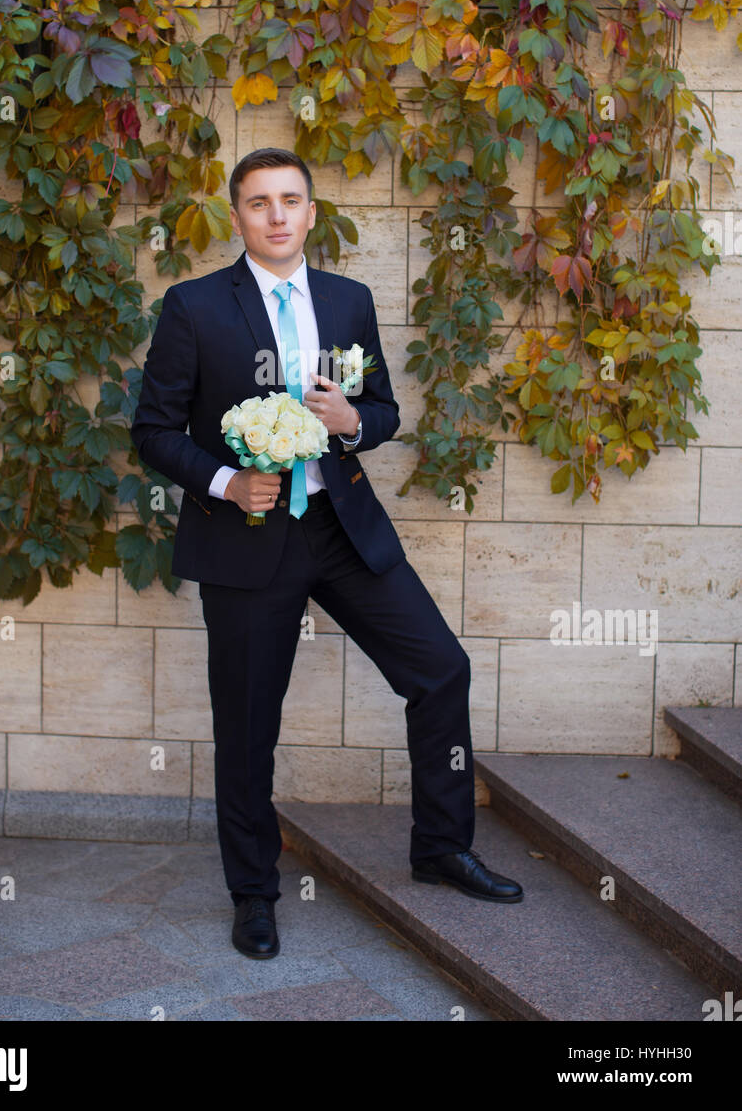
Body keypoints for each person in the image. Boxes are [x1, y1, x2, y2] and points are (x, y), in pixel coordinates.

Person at [130, 146, 523, 959]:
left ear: (312, 213)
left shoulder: (348, 301)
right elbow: (153, 431)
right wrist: (227, 481)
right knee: (247, 726)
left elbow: (381, 411)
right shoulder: (194, 307)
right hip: (245, 540)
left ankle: (441, 848)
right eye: (258, 202)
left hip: (342, 530)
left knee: (441, 669)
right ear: (237, 216)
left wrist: (353, 422)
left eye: (290, 200)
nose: (276, 215)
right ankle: (253, 894)